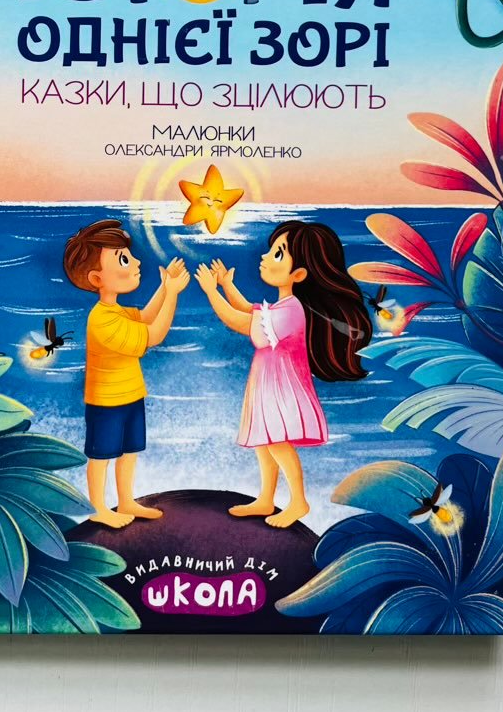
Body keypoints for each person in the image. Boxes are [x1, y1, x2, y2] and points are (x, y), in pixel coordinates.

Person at [195, 220, 372, 528]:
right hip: (267, 386)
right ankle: (266, 498)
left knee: (277, 443)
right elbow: (250, 311)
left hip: (281, 390)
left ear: (299, 275)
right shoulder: (282, 306)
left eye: (278, 253)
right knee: (264, 442)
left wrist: (211, 292)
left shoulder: (292, 311)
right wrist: (226, 285)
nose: (265, 257)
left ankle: (298, 501)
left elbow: (239, 321)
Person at [63, 219, 189, 529]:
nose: (136, 263)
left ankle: (127, 500)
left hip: (131, 394)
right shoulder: (102, 320)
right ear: (97, 278)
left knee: (130, 451)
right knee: (101, 455)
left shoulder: (116, 311)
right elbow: (154, 335)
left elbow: (145, 317)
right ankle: (98, 508)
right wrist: (172, 294)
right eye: (123, 259)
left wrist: (164, 287)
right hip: (107, 401)